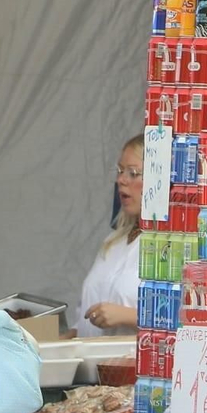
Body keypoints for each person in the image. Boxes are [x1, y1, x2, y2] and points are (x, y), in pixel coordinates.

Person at [79, 134, 144, 337]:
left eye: (133, 173)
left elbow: (189, 321)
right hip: (92, 365)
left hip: (133, 366)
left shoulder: (175, 246)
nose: (121, 180)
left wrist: (129, 316)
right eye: (119, 171)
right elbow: (84, 315)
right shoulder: (112, 241)